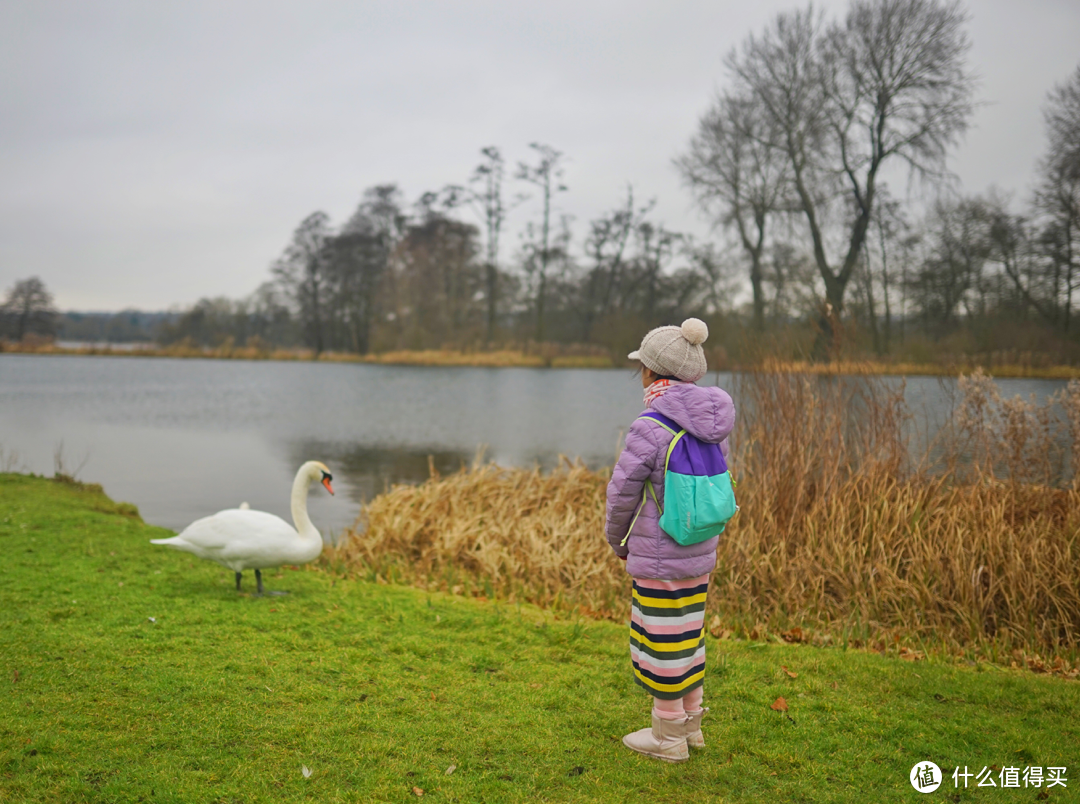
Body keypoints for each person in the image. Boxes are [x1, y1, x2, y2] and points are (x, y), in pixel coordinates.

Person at [605, 318, 735, 763]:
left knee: (661, 641)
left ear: (652, 373)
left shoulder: (651, 425)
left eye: (641, 365)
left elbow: (622, 491)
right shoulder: (710, 422)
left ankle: (668, 738)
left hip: (660, 552)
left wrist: (616, 537)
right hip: (700, 548)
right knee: (688, 638)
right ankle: (691, 727)